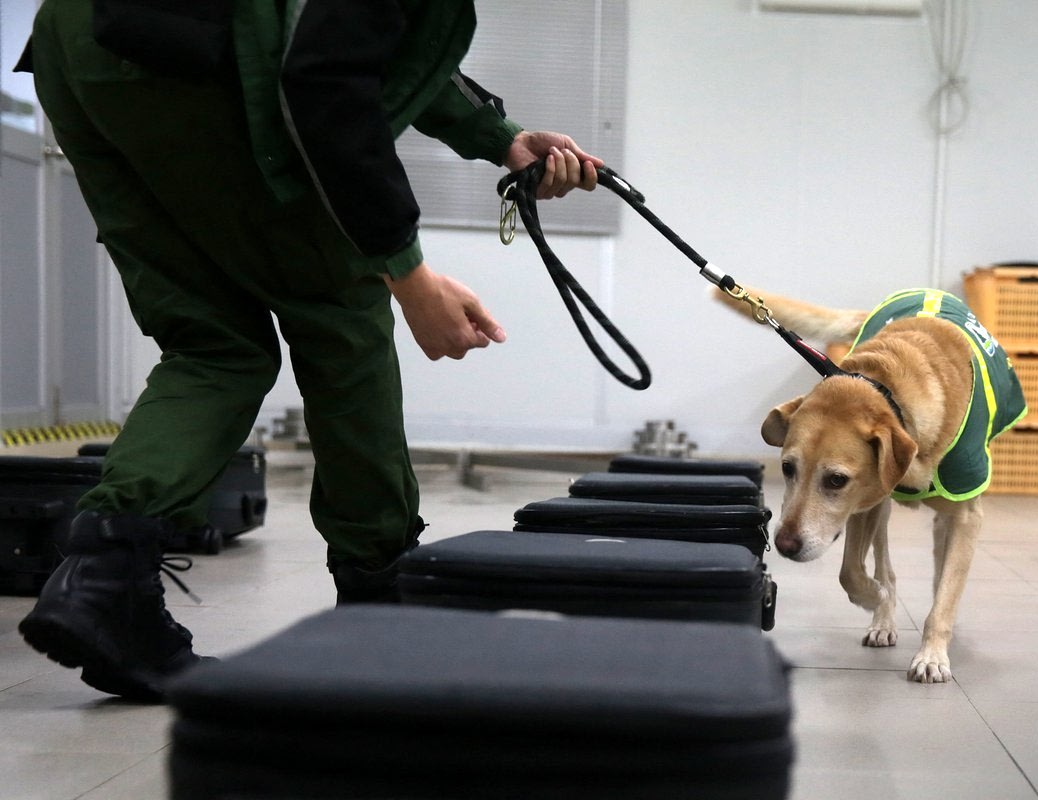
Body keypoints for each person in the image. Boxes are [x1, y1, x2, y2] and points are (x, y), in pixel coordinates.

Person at [14, 0, 603, 703]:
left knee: (215, 345)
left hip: (78, 37)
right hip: (214, 48)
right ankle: (379, 599)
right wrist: (407, 275)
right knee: (342, 320)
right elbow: (322, 80)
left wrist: (498, 135)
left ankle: (104, 578)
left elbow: (348, 37)